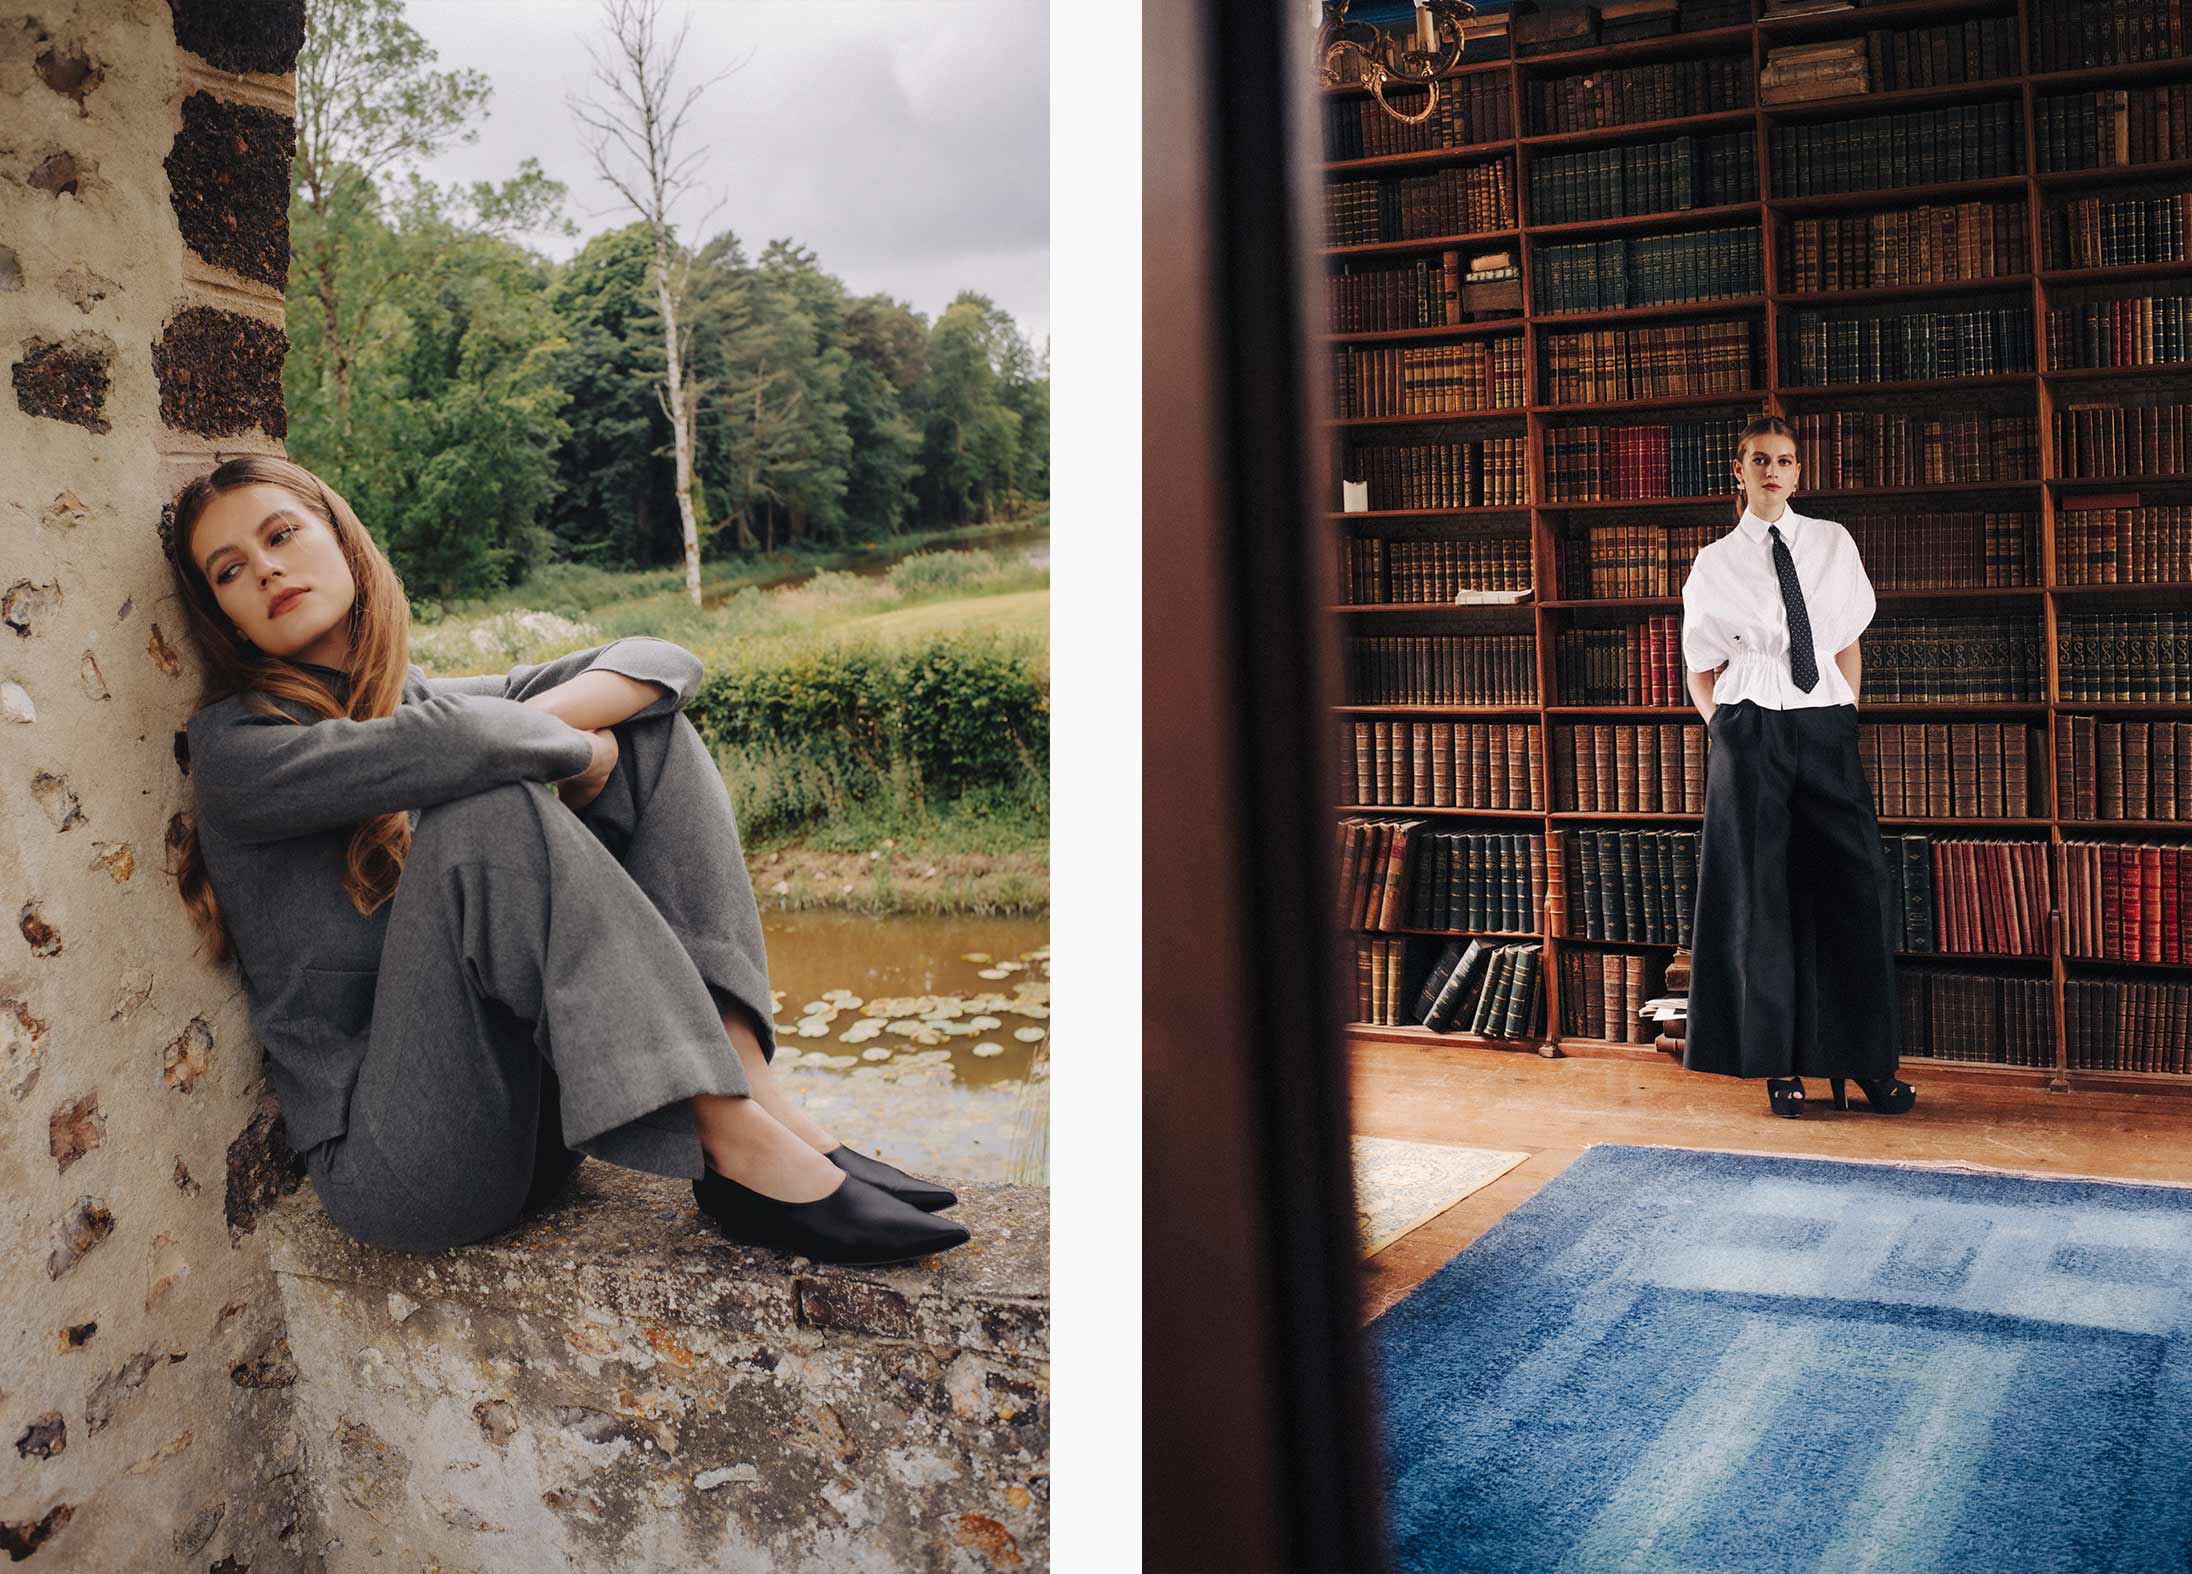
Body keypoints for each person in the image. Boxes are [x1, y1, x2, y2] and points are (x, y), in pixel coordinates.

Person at [162, 454, 969, 1264]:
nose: (265, 569)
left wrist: (532, 738)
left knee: (651, 738)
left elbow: (659, 664)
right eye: (230, 570)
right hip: (404, 1166)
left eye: (282, 534)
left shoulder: (414, 699)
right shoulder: (239, 748)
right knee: (485, 808)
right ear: (227, 616)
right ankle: (733, 1145)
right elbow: (473, 743)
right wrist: (565, 753)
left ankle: (755, 1098)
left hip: (543, 1128)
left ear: (344, 544)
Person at [1677, 416, 1913, 1120]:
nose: (1772, 471)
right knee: (1760, 897)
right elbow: (1697, 667)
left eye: (1784, 460)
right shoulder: (1714, 561)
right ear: (1738, 471)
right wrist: (1724, 729)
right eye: (1759, 460)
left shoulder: (1832, 544)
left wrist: (1842, 717)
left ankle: (1864, 1062)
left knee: (1856, 890)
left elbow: (1845, 642)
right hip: (1752, 730)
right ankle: (1775, 1063)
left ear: (1798, 473)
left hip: (1825, 728)